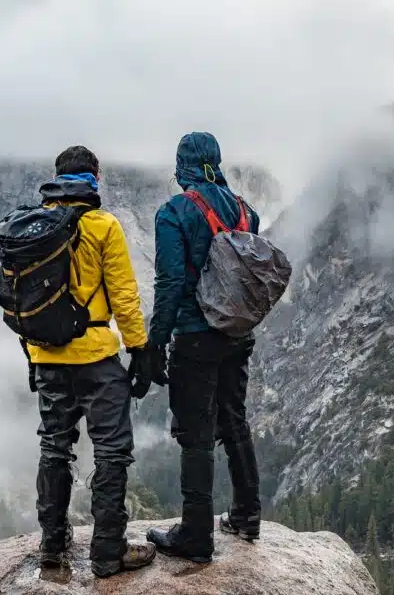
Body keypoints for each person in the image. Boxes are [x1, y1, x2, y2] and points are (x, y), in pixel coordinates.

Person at [25, 145, 158, 578]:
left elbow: (20, 302)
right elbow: (123, 296)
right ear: (94, 178)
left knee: (54, 449)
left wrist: (32, 354)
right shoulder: (103, 226)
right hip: (97, 358)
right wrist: (139, 350)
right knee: (112, 453)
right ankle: (107, 553)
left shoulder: (32, 228)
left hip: (46, 356)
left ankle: (52, 550)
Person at [145, 132, 263, 563]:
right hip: (237, 334)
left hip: (195, 337)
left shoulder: (174, 213)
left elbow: (171, 283)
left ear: (183, 167)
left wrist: (155, 343)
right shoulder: (247, 212)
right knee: (234, 420)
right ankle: (247, 516)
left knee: (195, 434)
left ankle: (196, 536)